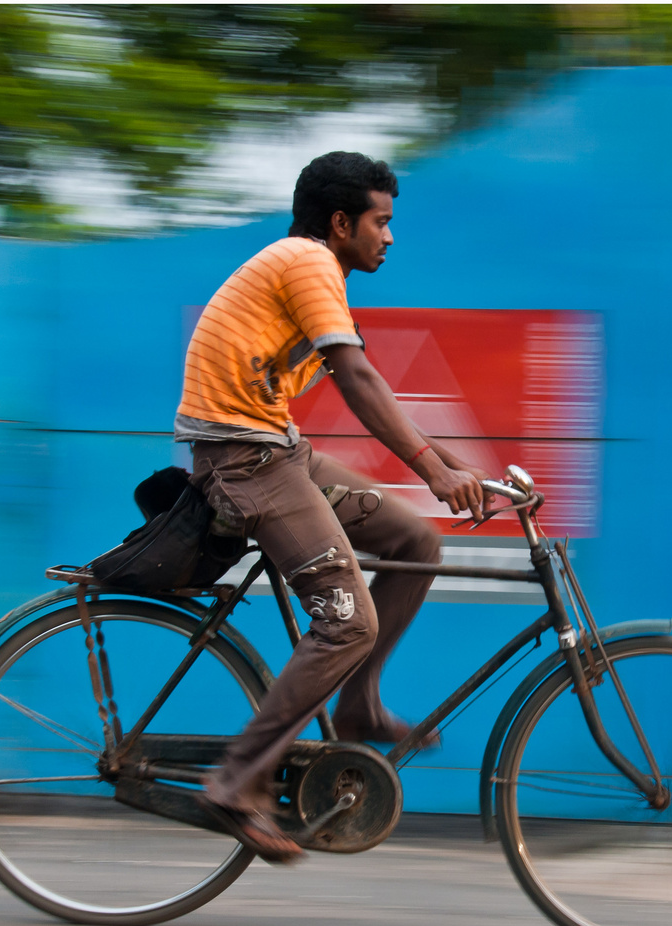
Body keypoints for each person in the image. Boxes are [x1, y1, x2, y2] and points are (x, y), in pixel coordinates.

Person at [177, 151, 492, 862]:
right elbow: (355, 377)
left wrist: (454, 467)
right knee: (348, 622)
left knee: (416, 542)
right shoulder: (307, 261)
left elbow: (370, 383)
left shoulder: (315, 270)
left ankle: (357, 703)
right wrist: (429, 468)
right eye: (380, 222)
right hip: (242, 459)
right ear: (340, 221)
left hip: (274, 450)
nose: (389, 237)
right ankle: (236, 782)